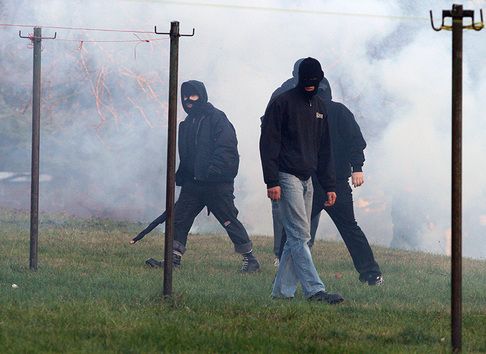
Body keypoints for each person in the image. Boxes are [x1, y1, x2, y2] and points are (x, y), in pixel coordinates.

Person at [270, 60, 383, 286]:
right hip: (308, 181)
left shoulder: (339, 112)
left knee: (346, 228)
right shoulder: (300, 110)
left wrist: (357, 167)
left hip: (336, 183)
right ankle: (283, 275)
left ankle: (371, 273)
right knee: (295, 230)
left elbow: (355, 141)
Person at [146, 80, 260, 273]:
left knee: (228, 220)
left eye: (193, 96)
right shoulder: (187, 123)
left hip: (216, 184)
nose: (188, 100)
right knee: (180, 219)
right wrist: (184, 175)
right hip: (193, 183)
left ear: (202, 96)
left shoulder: (217, 118)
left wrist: (213, 171)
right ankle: (173, 259)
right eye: (185, 96)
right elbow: (188, 155)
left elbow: (226, 147)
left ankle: (250, 260)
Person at [260, 57, 344, 304]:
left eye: (314, 82)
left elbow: (325, 149)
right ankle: (315, 291)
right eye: (306, 81)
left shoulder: (320, 107)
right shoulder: (282, 103)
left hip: (308, 179)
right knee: (299, 235)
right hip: (285, 177)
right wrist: (271, 180)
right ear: (298, 79)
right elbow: (268, 143)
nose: (309, 85)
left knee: (295, 238)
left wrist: (329, 185)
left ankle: (281, 293)